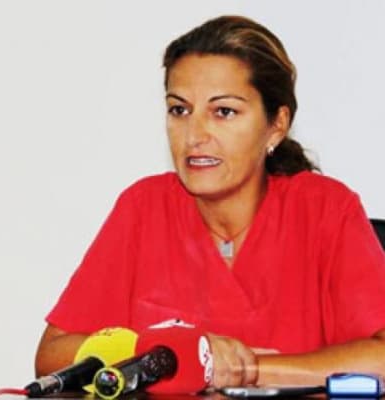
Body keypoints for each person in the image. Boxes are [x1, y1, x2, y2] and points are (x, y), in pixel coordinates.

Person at [34, 15, 385, 389]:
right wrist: (163, 353)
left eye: (224, 112)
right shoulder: (144, 207)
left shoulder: (325, 210)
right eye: (179, 110)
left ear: (276, 125)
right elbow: (52, 356)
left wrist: (236, 369)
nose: (194, 135)